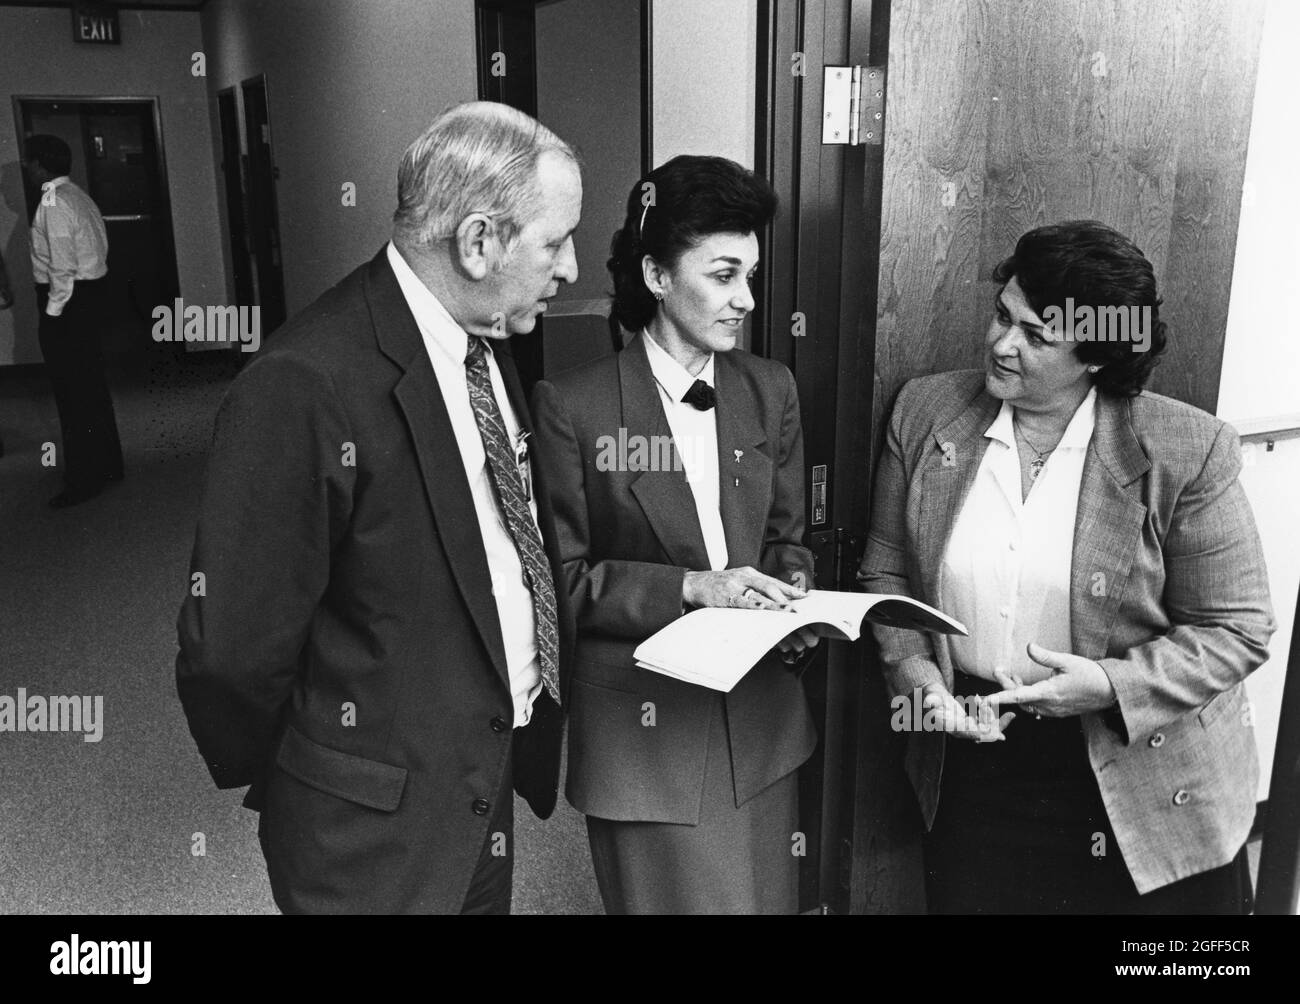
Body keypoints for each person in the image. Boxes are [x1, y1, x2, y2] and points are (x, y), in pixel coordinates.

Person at [175, 102, 583, 914]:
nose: (571, 267)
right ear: (477, 242)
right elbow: (229, 651)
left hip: (476, 786)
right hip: (364, 834)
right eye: (555, 241)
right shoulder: (304, 383)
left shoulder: (479, 342)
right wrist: (315, 775)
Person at [858, 220, 1275, 914]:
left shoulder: (1188, 450)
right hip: (980, 763)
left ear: (1098, 359)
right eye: (1002, 315)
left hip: (1141, 771)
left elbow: (1239, 630)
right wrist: (920, 679)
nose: (1001, 343)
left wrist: (1110, 684)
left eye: (1036, 335)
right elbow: (888, 575)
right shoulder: (926, 411)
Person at [530, 155, 820, 914]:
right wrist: (692, 589)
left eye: (751, 276)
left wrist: (793, 602)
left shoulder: (770, 389)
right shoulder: (574, 407)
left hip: (762, 728)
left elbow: (789, 540)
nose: (746, 301)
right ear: (658, 275)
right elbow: (558, 584)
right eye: (723, 276)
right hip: (646, 735)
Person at [22, 135, 124, 507]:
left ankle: (84, 478)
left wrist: (52, 314)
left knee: (73, 395)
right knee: (91, 387)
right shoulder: (78, 195)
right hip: (88, 297)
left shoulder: (52, 201)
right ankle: (108, 464)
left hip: (67, 303)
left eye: (28, 162)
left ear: (39, 164)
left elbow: (62, 267)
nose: (25, 169)